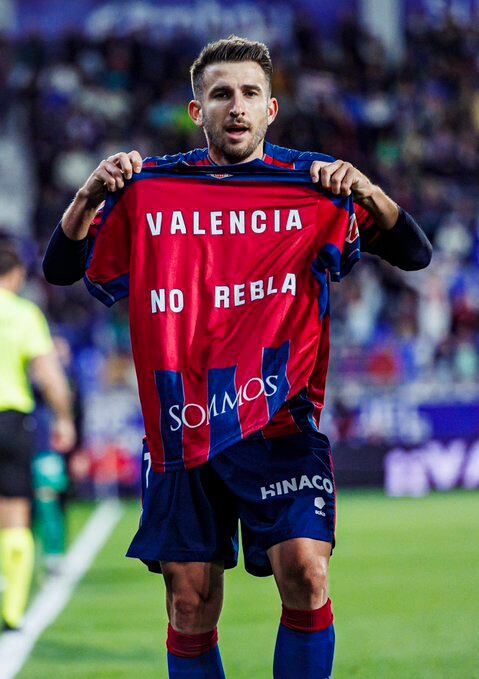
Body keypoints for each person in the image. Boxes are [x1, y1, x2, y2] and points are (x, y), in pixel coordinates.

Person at [43, 36, 431, 678]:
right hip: (182, 427)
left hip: (280, 422)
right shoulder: (151, 189)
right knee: (189, 602)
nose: (237, 106)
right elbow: (61, 269)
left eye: (250, 93)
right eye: (221, 94)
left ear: (271, 109)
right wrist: (87, 196)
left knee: (307, 575)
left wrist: (367, 189)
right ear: (197, 111)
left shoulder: (311, 183)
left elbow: (414, 253)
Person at [0, 244, 76, 631]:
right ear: (14, 275)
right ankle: (12, 607)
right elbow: (48, 374)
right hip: (10, 418)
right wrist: (64, 417)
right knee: (15, 513)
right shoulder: (22, 314)